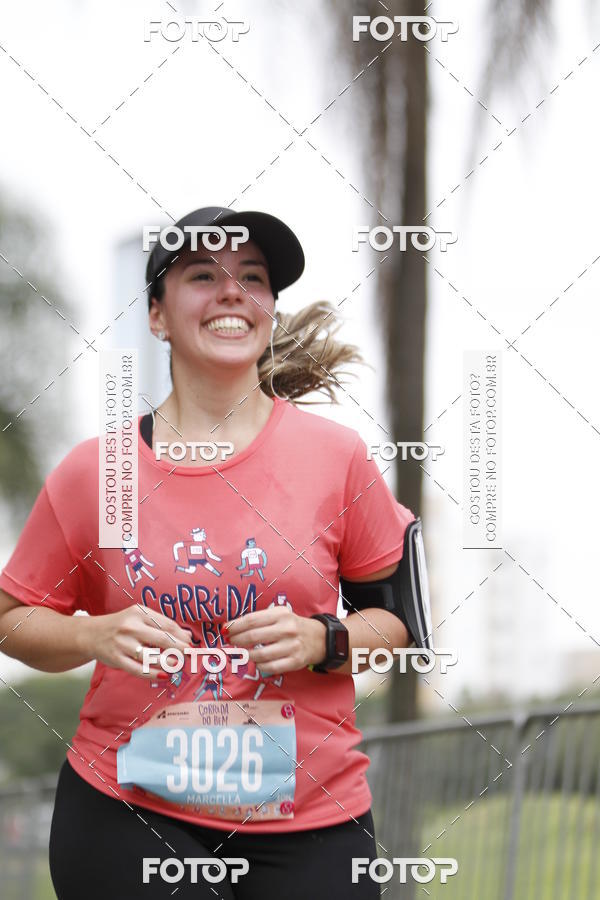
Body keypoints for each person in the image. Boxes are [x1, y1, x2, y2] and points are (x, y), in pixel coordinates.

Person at [0, 206, 416, 899]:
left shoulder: (335, 459)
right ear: (157, 315)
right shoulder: (98, 474)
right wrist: (90, 633)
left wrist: (324, 638)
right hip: (128, 809)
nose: (232, 292)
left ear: (269, 314)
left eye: (252, 279)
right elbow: (12, 618)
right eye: (203, 275)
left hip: (309, 816)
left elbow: (397, 623)